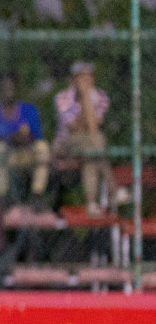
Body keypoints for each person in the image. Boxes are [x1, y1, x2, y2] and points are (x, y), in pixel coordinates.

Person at [54, 62, 114, 215]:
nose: (83, 83)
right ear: (73, 81)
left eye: (87, 79)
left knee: (90, 152)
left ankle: (91, 203)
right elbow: (74, 129)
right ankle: (112, 188)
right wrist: (85, 101)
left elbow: (92, 128)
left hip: (89, 145)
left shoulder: (101, 97)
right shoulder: (62, 98)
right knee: (96, 141)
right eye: (79, 79)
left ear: (92, 80)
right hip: (67, 143)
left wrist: (86, 97)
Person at [0, 75, 48, 204]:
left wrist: (25, 137)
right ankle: (2, 195)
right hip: (5, 157)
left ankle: (37, 194)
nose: (8, 92)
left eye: (11, 88)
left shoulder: (29, 110)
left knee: (42, 147)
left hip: (27, 155)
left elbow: (37, 136)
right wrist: (13, 137)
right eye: (4, 88)